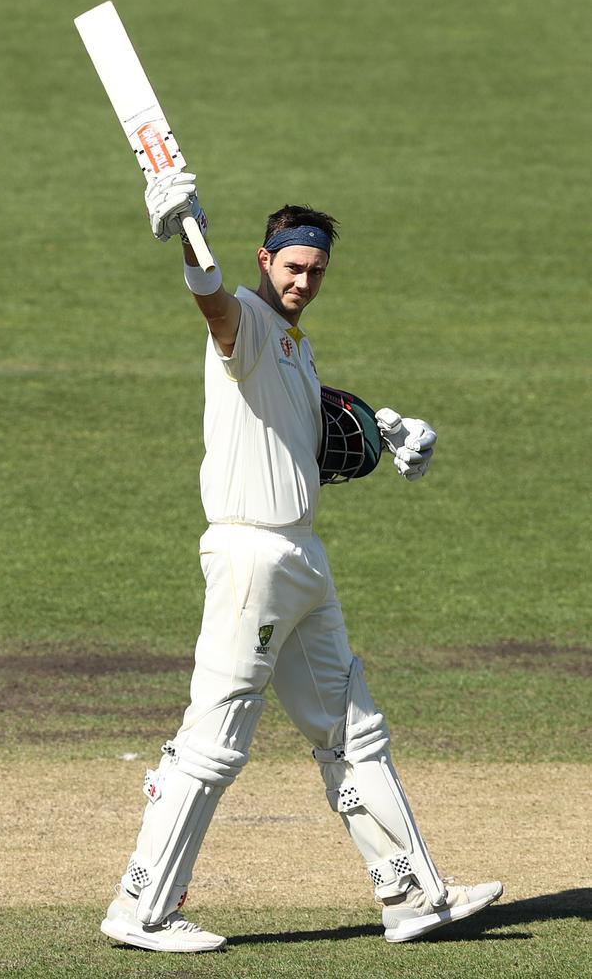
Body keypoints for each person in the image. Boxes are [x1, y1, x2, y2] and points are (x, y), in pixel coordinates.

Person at [100, 171, 503, 953]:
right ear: (264, 259)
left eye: (316, 270)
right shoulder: (247, 319)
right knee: (215, 742)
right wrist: (186, 237)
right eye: (293, 266)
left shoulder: (290, 343)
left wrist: (386, 431)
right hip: (253, 556)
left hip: (302, 559)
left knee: (354, 733)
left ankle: (410, 894)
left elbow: (307, 420)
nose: (304, 280)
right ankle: (140, 908)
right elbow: (214, 307)